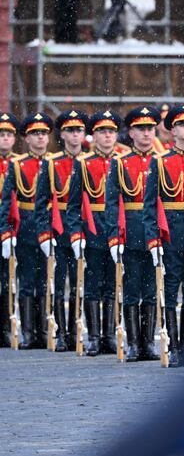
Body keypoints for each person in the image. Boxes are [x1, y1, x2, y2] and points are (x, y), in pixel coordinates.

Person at [143, 104, 184, 367]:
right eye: (182, 125)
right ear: (173, 131)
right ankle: (171, 345)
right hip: (169, 235)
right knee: (168, 291)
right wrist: (153, 237)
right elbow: (150, 203)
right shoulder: (160, 161)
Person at [65, 109, 126, 356]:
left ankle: (109, 335)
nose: (108, 136)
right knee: (91, 286)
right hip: (91, 231)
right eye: (102, 132)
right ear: (94, 135)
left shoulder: (122, 161)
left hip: (116, 231)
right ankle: (93, 336)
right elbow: (73, 205)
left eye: (111, 131)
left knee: (112, 285)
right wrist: (76, 234)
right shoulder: (83, 164)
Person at [105, 106, 161, 362]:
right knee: (130, 289)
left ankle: (148, 342)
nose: (147, 133)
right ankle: (132, 342)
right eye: (141, 129)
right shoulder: (120, 162)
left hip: (155, 233)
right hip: (129, 232)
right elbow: (112, 202)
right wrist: (114, 236)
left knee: (151, 290)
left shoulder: (161, 160)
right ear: (132, 132)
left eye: (150, 128)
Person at [34, 109, 87, 352]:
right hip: (58, 230)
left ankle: (77, 331)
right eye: (70, 131)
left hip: (84, 230)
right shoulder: (51, 163)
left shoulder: (89, 161)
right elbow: (41, 202)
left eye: (79, 130)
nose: (75, 135)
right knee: (57, 285)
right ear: (62, 134)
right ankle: (61, 333)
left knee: (80, 286)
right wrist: (45, 234)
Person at [0, 113, 53, 349]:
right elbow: (7, 202)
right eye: (34, 134)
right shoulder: (18, 164)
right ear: (27, 138)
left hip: (50, 225)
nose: (40, 138)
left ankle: (43, 330)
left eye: (43, 133)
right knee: (27, 280)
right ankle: (28, 332)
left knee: (46, 281)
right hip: (24, 226)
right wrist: (6, 232)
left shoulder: (54, 162)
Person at [0, 113, 20, 348]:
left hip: (9, 224)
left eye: (8, 135)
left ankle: (5, 327)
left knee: (7, 280)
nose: (5, 139)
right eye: (1, 135)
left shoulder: (17, 163)